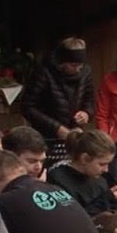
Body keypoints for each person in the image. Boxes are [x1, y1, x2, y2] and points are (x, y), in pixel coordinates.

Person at [22, 36, 96, 166]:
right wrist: (56, 128)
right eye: (73, 65)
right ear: (63, 62)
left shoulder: (85, 72)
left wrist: (86, 113)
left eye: (80, 65)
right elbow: (27, 106)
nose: (78, 68)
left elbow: (89, 100)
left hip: (74, 134)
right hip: (47, 136)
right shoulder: (43, 72)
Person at [47, 129, 117, 217]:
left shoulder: (100, 181)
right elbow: (72, 217)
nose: (106, 170)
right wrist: (104, 200)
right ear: (84, 158)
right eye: (102, 164)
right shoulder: (58, 180)